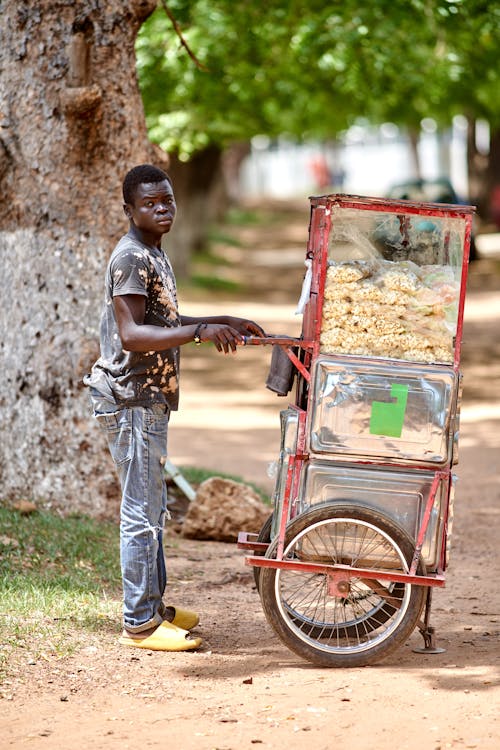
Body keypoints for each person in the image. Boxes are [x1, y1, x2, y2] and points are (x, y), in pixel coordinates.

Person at [84, 164, 265, 651]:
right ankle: (139, 622)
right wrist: (200, 332)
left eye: (167, 200)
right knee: (141, 511)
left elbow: (162, 319)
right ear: (129, 210)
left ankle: (155, 606)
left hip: (151, 398)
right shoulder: (129, 258)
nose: (162, 208)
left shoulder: (153, 254)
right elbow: (133, 335)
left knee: (155, 506)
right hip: (129, 399)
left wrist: (218, 319)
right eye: (150, 203)